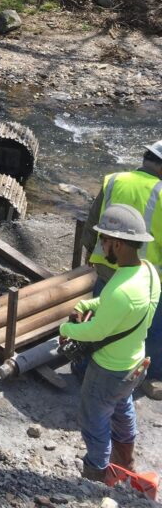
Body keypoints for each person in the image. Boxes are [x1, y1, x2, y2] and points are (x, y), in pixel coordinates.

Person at [60, 204, 160, 482]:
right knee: (121, 407)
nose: (101, 247)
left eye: (103, 241)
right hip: (135, 363)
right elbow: (113, 306)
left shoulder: (121, 291)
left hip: (108, 370)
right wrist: (86, 303)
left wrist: (65, 327)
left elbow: (95, 331)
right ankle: (126, 461)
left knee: (93, 420)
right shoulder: (148, 272)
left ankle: (96, 477)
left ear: (117, 243)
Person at [82, 140, 162, 400]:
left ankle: (85, 366)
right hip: (146, 278)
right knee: (151, 328)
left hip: (108, 268)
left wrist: (90, 254)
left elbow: (93, 223)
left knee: (99, 319)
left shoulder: (114, 180)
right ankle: (151, 375)